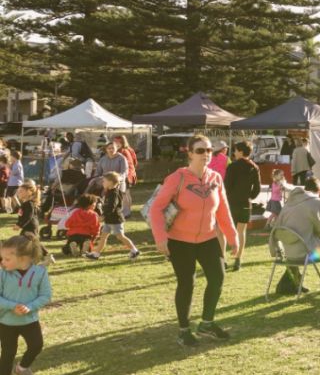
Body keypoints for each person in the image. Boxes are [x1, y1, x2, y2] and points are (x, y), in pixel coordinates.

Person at [148, 134, 238, 347]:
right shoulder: (177, 178)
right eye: (200, 150)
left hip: (208, 238)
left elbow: (223, 210)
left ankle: (206, 324)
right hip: (180, 241)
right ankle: (184, 330)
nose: (206, 154)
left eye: (209, 150)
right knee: (187, 283)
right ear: (189, 153)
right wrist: (160, 237)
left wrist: (233, 237)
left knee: (217, 278)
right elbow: (156, 208)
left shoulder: (215, 178)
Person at [0, 234, 52, 375]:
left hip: (30, 320)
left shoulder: (40, 272)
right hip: (6, 322)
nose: (2, 262)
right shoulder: (2, 274)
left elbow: (45, 295)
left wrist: (29, 307)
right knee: (8, 353)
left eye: (7, 259)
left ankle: (22, 369)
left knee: (36, 345)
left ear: (23, 258)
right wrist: (11, 306)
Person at [224, 141, 261, 272]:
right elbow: (257, 189)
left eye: (235, 150)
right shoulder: (254, 167)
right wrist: (249, 196)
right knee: (241, 231)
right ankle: (238, 259)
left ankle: (222, 259)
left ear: (240, 151)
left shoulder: (232, 167)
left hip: (231, 202)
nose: (233, 153)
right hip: (245, 203)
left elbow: (226, 186)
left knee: (224, 230)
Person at [86, 172, 139, 260]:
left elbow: (112, 207)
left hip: (115, 219)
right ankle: (96, 254)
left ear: (110, 182)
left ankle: (134, 250)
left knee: (120, 236)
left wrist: (103, 216)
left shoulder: (114, 193)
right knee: (103, 236)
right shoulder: (109, 192)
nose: (102, 183)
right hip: (109, 219)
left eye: (104, 181)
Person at [93, 142, 129, 209]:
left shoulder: (122, 158)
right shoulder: (103, 159)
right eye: (109, 148)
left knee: (117, 201)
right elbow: (97, 172)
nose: (111, 150)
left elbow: (124, 172)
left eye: (113, 148)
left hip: (118, 183)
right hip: (105, 184)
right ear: (106, 149)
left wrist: (116, 180)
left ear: (116, 148)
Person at [112, 135, 138, 217]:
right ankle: (128, 210)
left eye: (118, 142)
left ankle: (126, 212)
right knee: (127, 193)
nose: (116, 144)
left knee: (124, 193)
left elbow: (124, 165)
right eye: (115, 142)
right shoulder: (129, 149)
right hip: (131, 174)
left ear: (122, 142)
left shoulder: (122, 151)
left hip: (127, 175)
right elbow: (135, 162)